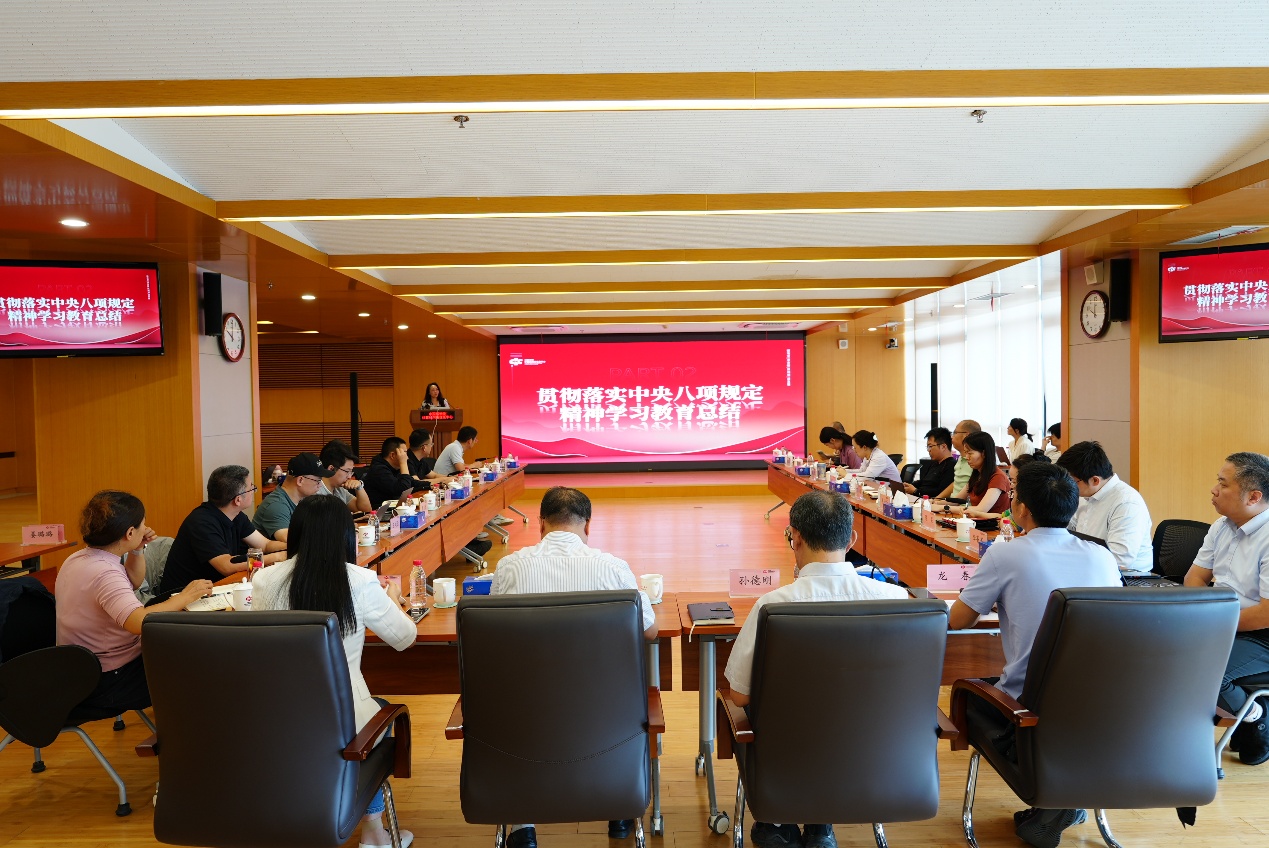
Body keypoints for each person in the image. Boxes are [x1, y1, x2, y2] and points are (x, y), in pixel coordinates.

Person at [950, 463, 1120, 847]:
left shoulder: (1005, 554)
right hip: (1100, 703)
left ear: (1022, 508)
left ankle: (1050, 798)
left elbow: (960, 619)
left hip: (1029, 704)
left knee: (969, 696)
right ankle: (1060, 798)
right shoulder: (1102, 556)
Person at [726, 490, 906, 848]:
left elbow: (740, 695)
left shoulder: (773, 606)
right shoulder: (897, 600)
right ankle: (820, 825)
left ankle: (777, 822)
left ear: (795, 538)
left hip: (790, 755)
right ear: (852, 539)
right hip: (875, 753)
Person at [491, 486, 656, 848]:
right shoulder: (612, 568)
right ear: (588, 525)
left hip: (528, 712)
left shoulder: (510, 567)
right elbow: (650, 630)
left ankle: (522, 826)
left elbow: (494, 630)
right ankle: (619, 809)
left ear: (540, 524)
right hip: (603, 712)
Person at [251, 495, 418, 848]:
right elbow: (405, 638)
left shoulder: (265, 580)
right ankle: (373, 832)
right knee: (378, 710)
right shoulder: (359, 580)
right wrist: (393, 598)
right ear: (345, 537)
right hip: (342, 723)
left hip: (278, 720)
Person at [55, 491, 214, 722]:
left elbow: (133, 582)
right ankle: (185, 735)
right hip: (109, 679)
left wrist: (137, 549)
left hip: (83, 670)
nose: (146, 528)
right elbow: (139, 622)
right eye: (142, 524)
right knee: (201, 663)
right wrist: (185, 596)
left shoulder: (79, 558)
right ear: (129, 532)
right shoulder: (104, 573)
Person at [1183, 452, 1269, 766]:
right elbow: (1195, 577)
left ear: (1253, 497)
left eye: (1223, 483)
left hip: (1261, 634)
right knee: (1161, 654)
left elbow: (1266, 613)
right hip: (1222, 623)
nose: (1214, 490)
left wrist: (1214, 624)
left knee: (1202, 669)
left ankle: (1257, 716)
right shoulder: (1222, 525)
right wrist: (1203, 617)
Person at [158, 465, 288, 595]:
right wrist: (277, 556)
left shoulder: (236, 516)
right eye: (251, 488)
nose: (253, 491)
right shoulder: (201, 522)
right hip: (181, 596)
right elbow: (227, 566)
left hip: (214, 588)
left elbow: (265, 545)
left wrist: (293, 546)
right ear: (238, 500)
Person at [1056, 441, 1153, 574]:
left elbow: (1120, 560)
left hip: (1127, 578)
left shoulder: (1127, 503)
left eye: (1072, 482)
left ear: (1095, 480)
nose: (1069, 487)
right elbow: (1068, 530)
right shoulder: (1085, 494)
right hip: (1089, 568)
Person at [253, 452, 336, 542]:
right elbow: (290, 540)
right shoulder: (277, 505)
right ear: (300, 480)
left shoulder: (302, 499)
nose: (320, 485)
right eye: (318, 481)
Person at [962, 431, 1011, 518]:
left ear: (984, 453)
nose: (967, 457)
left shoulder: (998, 477)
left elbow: (981, 510)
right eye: (965, 453)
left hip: (994, 524)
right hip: (978, 522)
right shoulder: (977, 474)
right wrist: (937, 503)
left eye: (970, 453)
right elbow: (957, 499)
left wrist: (945, 508)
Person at [319, 439, 373, 515]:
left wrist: (359, 487)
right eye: (347, 471)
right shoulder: (315, 491)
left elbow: (366, 511)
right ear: (331, 469)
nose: (349, 476)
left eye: (351, 471)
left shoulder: (339, 489)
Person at [364, 437, 417, 510]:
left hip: (393, 508)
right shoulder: (379, 470)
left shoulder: (394, 467)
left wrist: (429, 485)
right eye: (404, 453)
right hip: (379, 511)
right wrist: (403, 463)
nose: (407, 457)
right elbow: (403, 490)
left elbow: (411, 482)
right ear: (392, 455)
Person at [904, 426, 957, 498]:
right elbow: (923, 482)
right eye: (928, 447)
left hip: (931, 501)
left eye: (930, 446)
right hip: (920, 498)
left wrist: (916, 491)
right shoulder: (934, 463)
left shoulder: (951, 465)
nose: (928, 450)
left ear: (943, 447)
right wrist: (908, 486)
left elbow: (941, 491)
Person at [938, 419, 982, 499]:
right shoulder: (961, 457)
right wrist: (937, 498)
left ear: (966, 435)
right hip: (952, 502)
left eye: (955, 433)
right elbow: (956, 483)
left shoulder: (976, 462)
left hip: (962, 505)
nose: (952, 436)